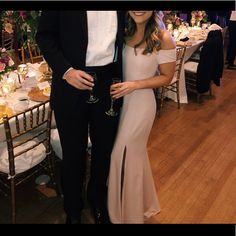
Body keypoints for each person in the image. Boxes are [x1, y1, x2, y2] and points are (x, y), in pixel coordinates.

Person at [36, 11, 124, 224]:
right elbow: (44, 36)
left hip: (108, 83)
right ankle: (73, 208)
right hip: (71, 83)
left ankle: (97, 199)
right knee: (73, 153)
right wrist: (66, 71)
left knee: (104, 150)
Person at [108, 11, 176, 224]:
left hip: (142, 104)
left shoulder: (163, 37)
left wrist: (135, 84)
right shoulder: (123, 31)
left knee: (123, 153)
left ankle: (128, 215)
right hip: (120, 103)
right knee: (134, 157)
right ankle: (138, 204)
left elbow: (167, 77)